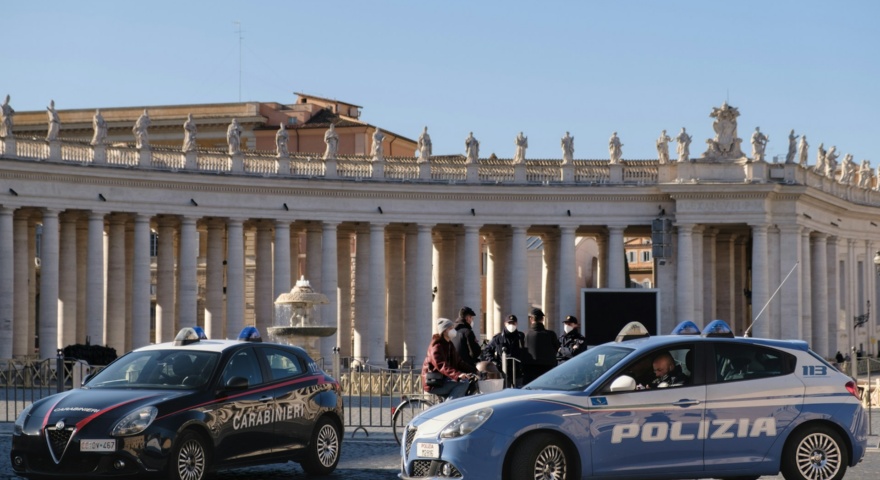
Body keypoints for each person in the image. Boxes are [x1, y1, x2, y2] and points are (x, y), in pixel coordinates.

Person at [421, 318, 477, 400]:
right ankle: (448, 410)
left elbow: (459, 362)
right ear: (444, 331)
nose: (453, 330)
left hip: (444, 379)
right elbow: (442, 365)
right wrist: (458, 375)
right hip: (434, 382)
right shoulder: (436, 346)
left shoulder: (449, 344)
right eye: (451, 328)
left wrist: (474, 370)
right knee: (463, 383)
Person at [481, 314, 526, 387]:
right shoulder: (498, 338)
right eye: (509, 323)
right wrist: (494, 362)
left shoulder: (521, 337)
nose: (511, 325)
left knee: (518, 394)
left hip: (518, 371)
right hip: (503, 371)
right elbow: (487, 350)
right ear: (505, 324)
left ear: (516, 324)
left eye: (513, 323)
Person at [523, 308, 560, 384]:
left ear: (531, 319)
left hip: (529, 372)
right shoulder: (551, 334)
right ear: (542, 319)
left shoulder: (525, 335)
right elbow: (556, 349)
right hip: (547, 371)